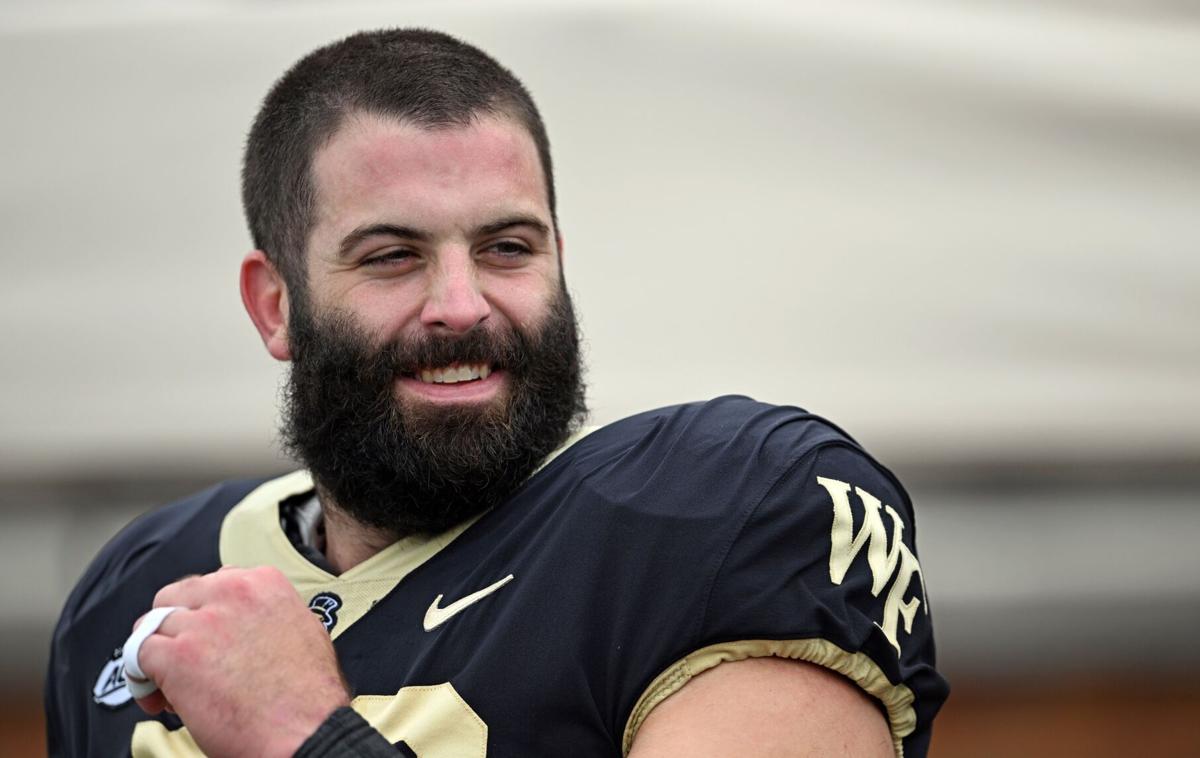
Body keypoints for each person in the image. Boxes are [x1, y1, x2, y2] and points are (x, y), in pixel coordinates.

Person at [45, 28, 948, 757]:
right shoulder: (137, 585)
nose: (461, 306)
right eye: (392, 256)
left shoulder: (726, 511)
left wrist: (302, 737)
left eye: (508, 248)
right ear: (276, 306)